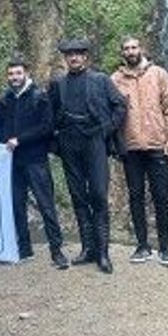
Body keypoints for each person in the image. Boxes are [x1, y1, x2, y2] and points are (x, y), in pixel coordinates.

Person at [49, 38, 127, 273]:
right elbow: (50, 115)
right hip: (69, 141)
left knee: (99, 195)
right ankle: (87, 249)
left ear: (85, 57)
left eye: (78, 54)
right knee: (78, 196)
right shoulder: (58, 84)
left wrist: (106, 129)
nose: (74, 58)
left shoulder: (100, 80)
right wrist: (57, 141)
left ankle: (103, 253)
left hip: (94, 139)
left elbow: (121, 106)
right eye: (69, 55)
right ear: (65, 58)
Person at [0, 59, 69, 270]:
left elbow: (47, 127)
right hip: (13, 162)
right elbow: (1, 128)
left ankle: (57, 251)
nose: (14, 77)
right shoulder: (6, 100)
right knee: (17, 205)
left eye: (17, 73)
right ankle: (25, 249)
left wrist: (20, 140)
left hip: (36, 160)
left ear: (26, 73)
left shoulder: (39, 96)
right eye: (11, 74)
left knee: (46, 205)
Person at [111, 37, 168, 268]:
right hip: (131, 148)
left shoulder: (158, 74)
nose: (130, 51)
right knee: (135, 196)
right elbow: (110, 112)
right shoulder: (115, 79)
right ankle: (142, 246)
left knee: (161, 198)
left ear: (141, 49)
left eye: (134, 47)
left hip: (156, 145)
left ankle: (166, 248)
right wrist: (114, 143)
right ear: (122, 52)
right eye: (126, 48)